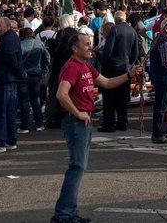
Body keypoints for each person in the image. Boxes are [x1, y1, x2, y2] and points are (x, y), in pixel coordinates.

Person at [52, 28, 132, 223]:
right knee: (77, 166)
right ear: (74, 48)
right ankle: (63, 215)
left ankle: (68, 213)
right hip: (76, 121)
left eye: (91, 43)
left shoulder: (87, 66)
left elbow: (106, 82)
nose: (91, 47)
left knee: (79, 167)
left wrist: (128, 75)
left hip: (84, 120)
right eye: (86, 44)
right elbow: (61, 94)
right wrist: (77, 112)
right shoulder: (72, 66)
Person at [0, 15, 24, 153]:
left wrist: (18, 73)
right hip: (7, 80)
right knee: (8, 112)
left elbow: (11, 60)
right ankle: (9, 140)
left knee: (0, 112)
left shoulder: (9, 39)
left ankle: (0, 142)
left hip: (4, 80)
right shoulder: (9, 38)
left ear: (6, 26)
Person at [97, 10, 141, 132]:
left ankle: (108, 124)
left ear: (115, 20)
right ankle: (122, 123)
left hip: (112, 68)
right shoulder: (132, 31)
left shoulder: (114, 30)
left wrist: (104, 63)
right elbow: (135, 52)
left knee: (109, 98)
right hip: (125, 67)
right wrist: (129, 63)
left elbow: (108, 51)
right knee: (122, 98)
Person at [146, 15, 167, 144]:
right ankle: (157, 133)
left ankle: (157, 132)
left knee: (160, 106)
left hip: (159, 76)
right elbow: (166, 62)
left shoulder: (158, 39)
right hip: (163, 77)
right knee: (161, 106)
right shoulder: (164, 41)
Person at [18, 26, 50, 133]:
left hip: (23, 75)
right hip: (36, 74)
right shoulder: (39, 43)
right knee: (36, 100)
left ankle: (24, 126)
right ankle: (39, 124)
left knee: (24, 101)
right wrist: (44, 70)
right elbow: (47, 58)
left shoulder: (20, 45)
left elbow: (16, 61)